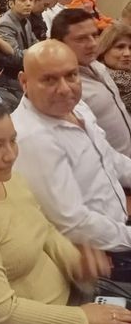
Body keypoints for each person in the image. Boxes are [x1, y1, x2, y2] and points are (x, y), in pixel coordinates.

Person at [0, 98, 123, 324]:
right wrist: (82, 317)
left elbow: (45, 230)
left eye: (13, 141)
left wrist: (77, 263)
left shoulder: (8, 181)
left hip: (78, 297)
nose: (10, 155)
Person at [12, 40, 131, 273]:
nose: (65, 89)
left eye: (71, 75)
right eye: (49, 80)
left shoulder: (76, 107)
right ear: (24, 82)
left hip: (119, 225)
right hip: (101, 254)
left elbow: (110, 158)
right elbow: (73, 222)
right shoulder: (31, 137)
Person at [52, 8, 131, 156]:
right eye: (81, 39)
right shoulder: (63, 87)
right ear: (59, 43)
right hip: (108, 164)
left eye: (95, 35)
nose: (92, 43)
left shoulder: (97, 66)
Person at [0, 0, 37, 80]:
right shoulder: (5, 23)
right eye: (23, 0)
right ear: (11, 4)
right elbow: (15, 57)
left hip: (25, 69)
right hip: (10, 75)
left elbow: (35, 42)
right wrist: (40, 52)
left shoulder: (26, 20)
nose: (29, 3)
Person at [97, 23, 131, 114]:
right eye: (120, 47)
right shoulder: (102, 80)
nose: (127, 53)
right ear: (104, 50)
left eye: (130, 48)